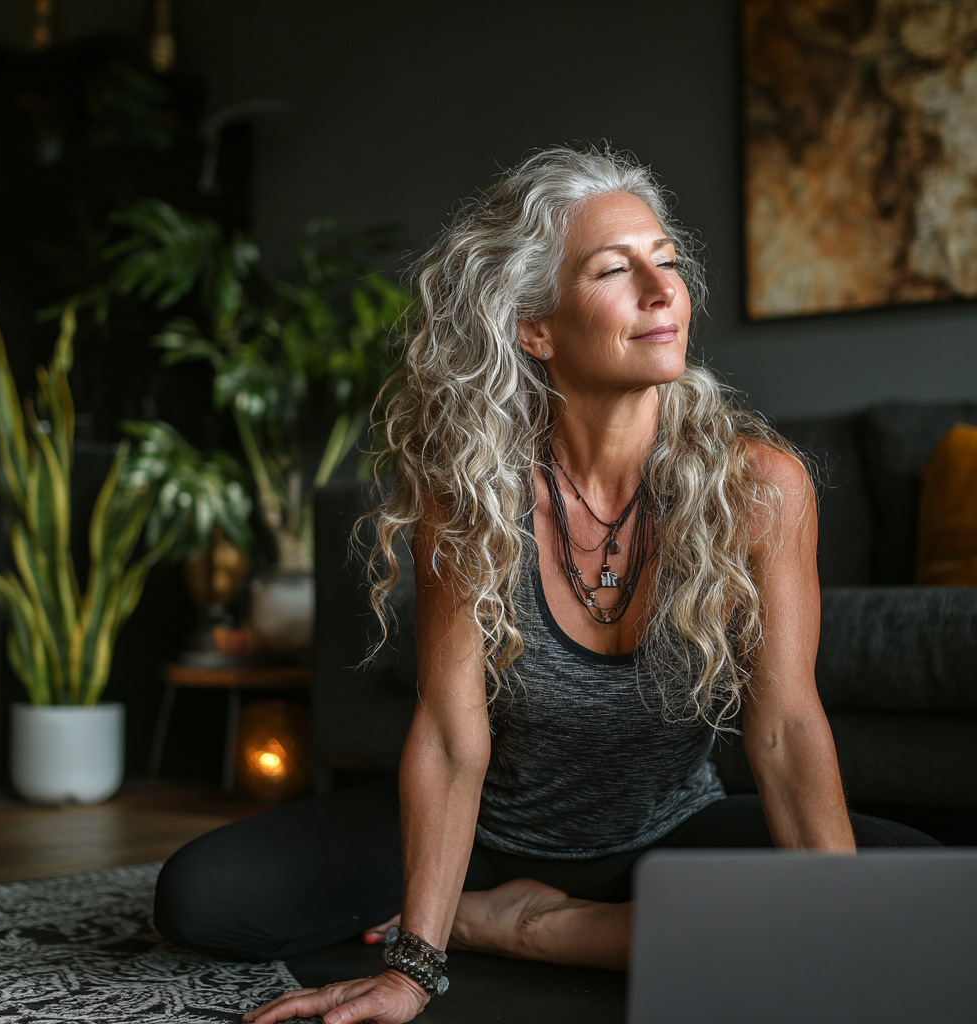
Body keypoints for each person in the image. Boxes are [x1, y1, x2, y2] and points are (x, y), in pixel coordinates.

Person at [154, 147, 937, 1024]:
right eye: (616, 269)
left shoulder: (759, 486)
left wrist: (849, 930)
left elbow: (788, 726)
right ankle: (485, 910)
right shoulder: (475, 496)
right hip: (494, 833)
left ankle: (532, 928)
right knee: (202, 898)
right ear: (536, 326)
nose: (661, 289)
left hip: (668, 831)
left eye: (667, 262)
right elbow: (452, 735)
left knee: (926, 900)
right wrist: (413, 969)